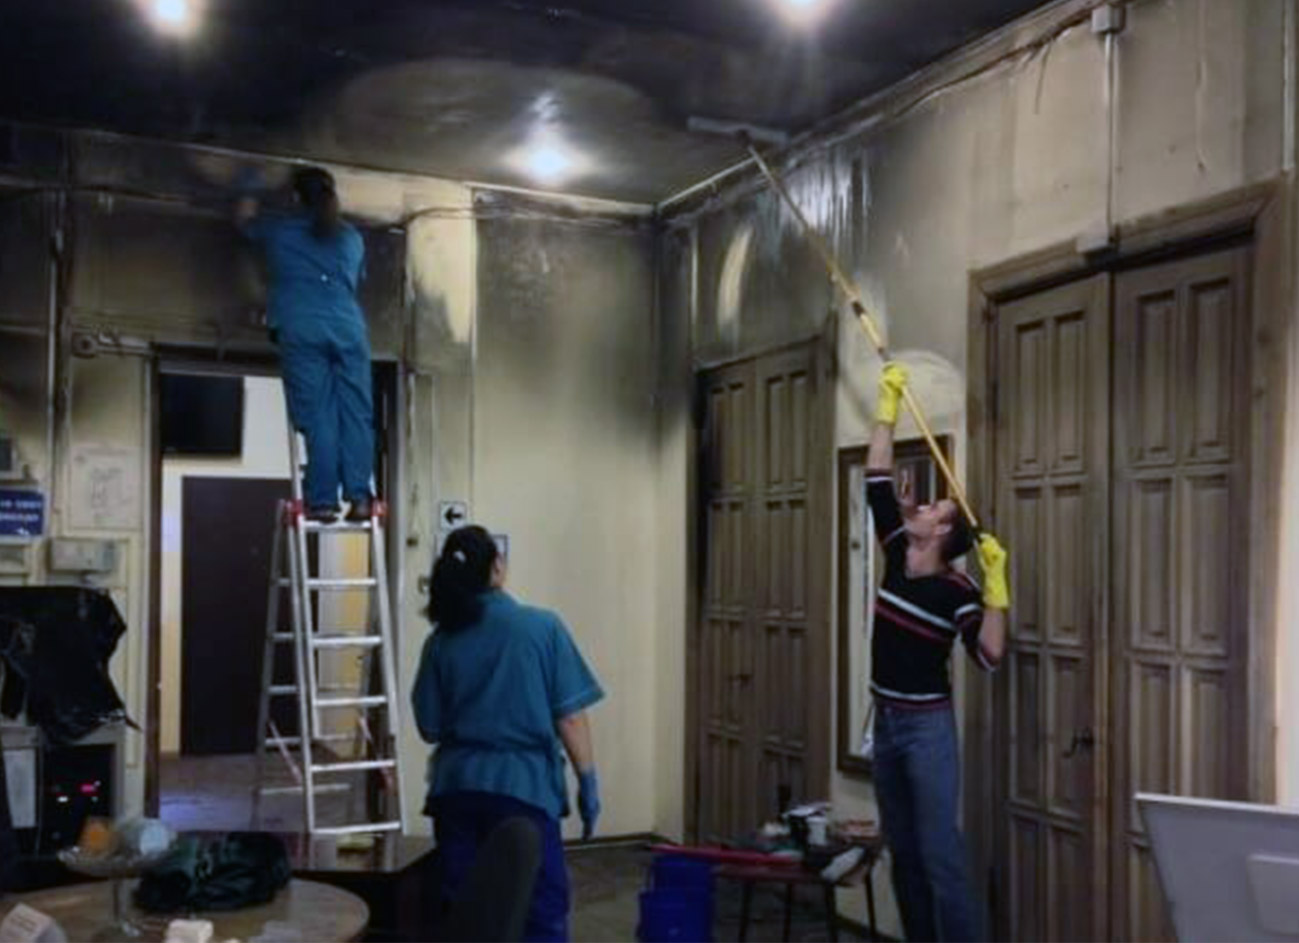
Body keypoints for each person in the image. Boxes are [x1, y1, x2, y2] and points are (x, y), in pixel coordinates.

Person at [866, 362, 1009, 942]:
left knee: (939, 856)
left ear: (944, 534)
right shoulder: (897, 552)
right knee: (903, 853)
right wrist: (887, 409)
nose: (923, 508)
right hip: (887, 722)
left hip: (927, 731)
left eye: (936, 510)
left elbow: (989, 656)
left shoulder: (958, 591)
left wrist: (997, 590)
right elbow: (877, 479)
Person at [412, 526, 604, 943]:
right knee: (539, 915)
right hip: (524, 793)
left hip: (456, 793)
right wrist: (587, 783)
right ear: (497, 567)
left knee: (464, 914)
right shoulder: (542, 628)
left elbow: (429, 727)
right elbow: (570, 719)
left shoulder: (440, 642)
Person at [237, 166, 374, 524]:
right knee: (356, 414)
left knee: (319, 416)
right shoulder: (352, 238)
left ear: (296, 198)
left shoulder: (281, 231)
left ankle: (323, 502)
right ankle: (360, 498)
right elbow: (354, 278)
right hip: (348, 329)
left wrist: (248, 182)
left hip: (303, 327)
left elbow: (245, 221)